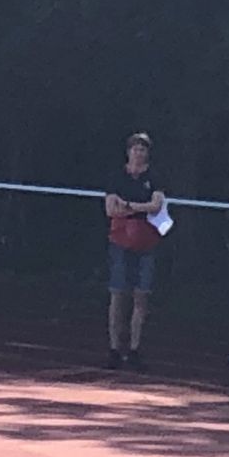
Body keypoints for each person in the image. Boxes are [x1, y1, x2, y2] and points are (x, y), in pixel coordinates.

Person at [102, 132, 165, 371]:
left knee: (141, 296)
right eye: (135, 149)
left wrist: (128, 205)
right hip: (120, 241)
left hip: (146, 242)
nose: (139, 153)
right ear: (128, 151)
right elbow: (110, 210)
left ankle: (135, 349)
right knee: (118, 295)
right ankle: (114, 349)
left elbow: (156, 206)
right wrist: (141, 208)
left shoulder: (154, 178)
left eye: (143, 149)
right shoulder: (117, 177)